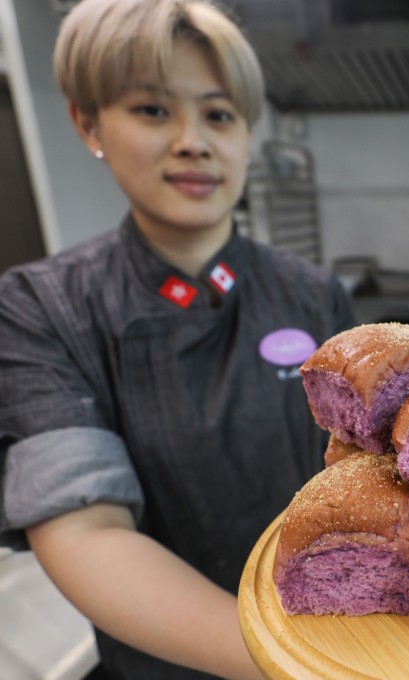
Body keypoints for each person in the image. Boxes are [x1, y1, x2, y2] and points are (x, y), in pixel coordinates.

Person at [0, 1, 353, 678]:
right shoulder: (43, 306)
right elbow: (87, 532)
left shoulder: (313, 293)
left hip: (334, 634)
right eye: (154, 110)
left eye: (219, 114)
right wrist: (288, 664)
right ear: (88, 122)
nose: (194, 140)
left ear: (246, 133)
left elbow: (359, 478)